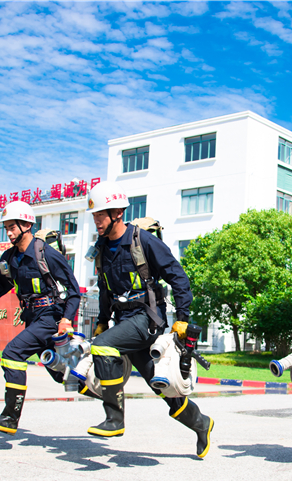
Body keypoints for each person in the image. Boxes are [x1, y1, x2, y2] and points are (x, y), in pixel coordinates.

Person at [85, 181, 214, 458]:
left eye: (101, 215)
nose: (96, 221)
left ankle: (114, 419)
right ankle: (202, 424)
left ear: (117, 213)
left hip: (146, 319)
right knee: (168, 392)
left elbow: (178, 277)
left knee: (103, 346)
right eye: (94, 215)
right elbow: (106, 289)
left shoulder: (142, 240)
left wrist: (182, 318)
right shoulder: (102, 248)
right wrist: (103, 320)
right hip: (125, 322)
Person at [0, 201, 83, 435]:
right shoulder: (9, 258)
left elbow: (74, 291)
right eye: (6, 227)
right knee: (62, 373)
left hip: (50, 316)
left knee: (13, 353)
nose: (8, 232)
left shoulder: (46, 254)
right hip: (32, 318)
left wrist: (66, 319)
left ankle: (10, 417)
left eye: (12, 227)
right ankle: (100, 386)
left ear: (27, 225)